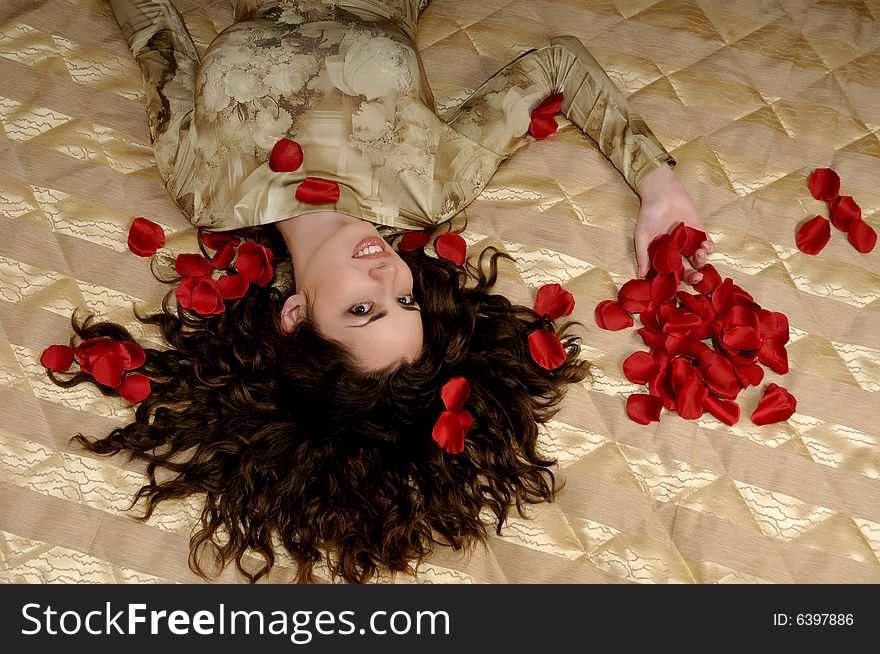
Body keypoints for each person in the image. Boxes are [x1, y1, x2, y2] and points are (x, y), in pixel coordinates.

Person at [48, 0, 714, 583]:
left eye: (362, 309)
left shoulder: (208, 186)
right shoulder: (431, 185)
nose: (388, 274)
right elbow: (558, 64)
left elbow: (156, 32)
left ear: (295, 314)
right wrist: (658, 185)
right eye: (406, 302)